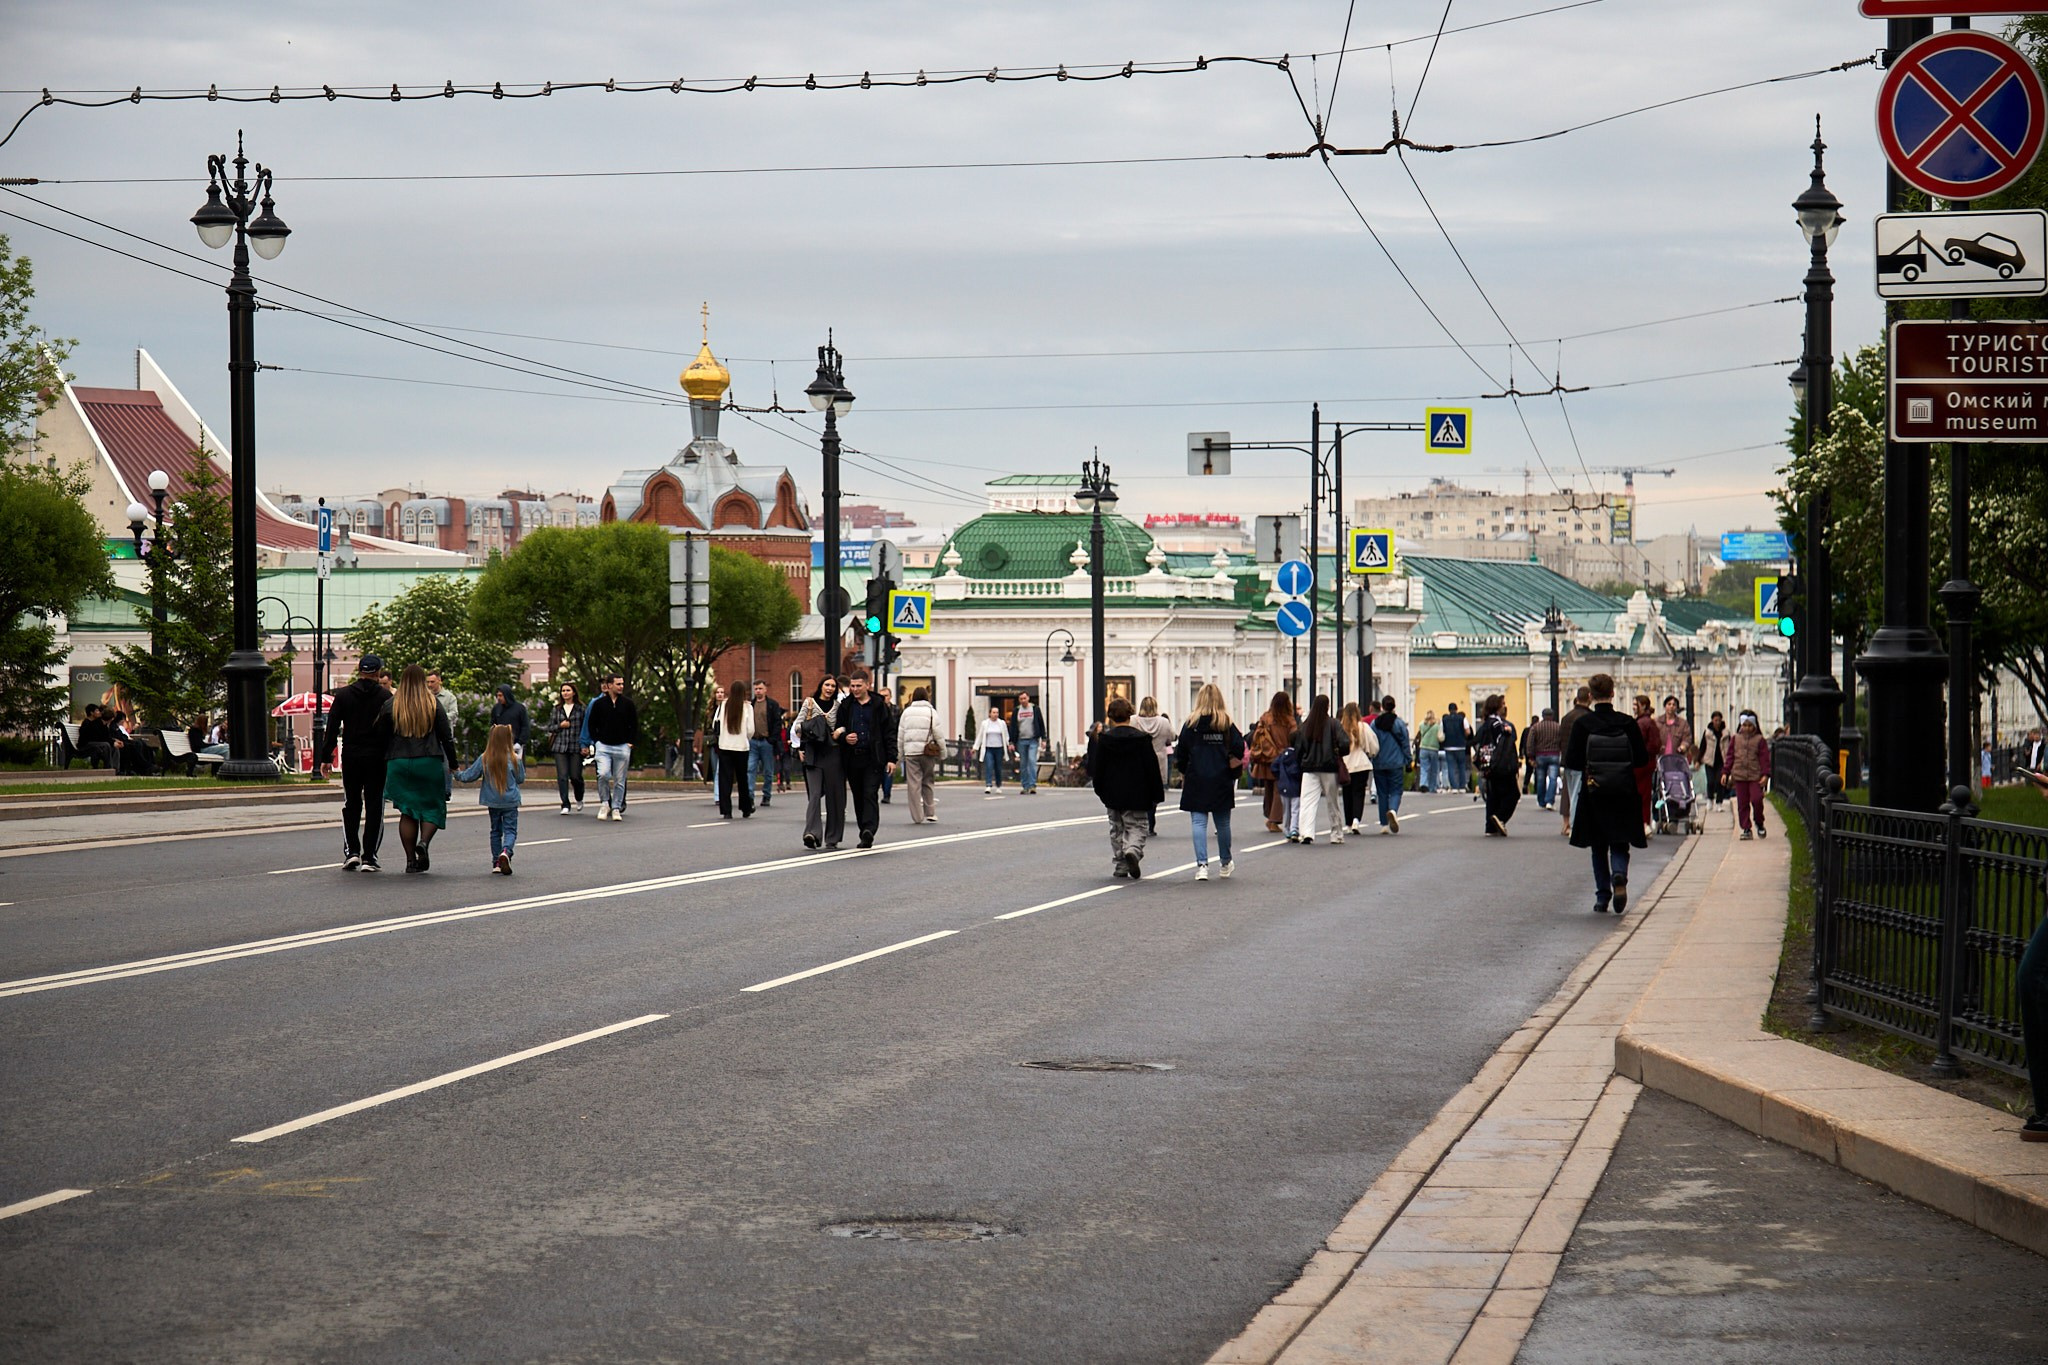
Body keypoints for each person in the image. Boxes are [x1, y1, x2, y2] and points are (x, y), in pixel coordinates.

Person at [1565, 672, 1651, 913]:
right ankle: (1620, 875)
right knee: (1620, 842)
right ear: (1613, 693)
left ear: (1591, 696)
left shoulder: (1583, 724)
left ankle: (1602, 896)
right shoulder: (1627, 722)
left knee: (1598, 845)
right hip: (1623, 790)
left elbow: (1572, 760)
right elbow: (1642, 758)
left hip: (1594, 792)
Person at [317, 655, 393, 871]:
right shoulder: (385, 697)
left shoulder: (344, 695)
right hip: (377, 757)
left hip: (350, 755)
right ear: (379, 672)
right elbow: (391, 730)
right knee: (374, 806)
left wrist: (326, 758)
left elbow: (331, 728)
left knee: (351, 804)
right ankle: (369, 856)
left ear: (359, 671)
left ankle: (352, 851)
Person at [380, 663, 458, 873]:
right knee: (432, 807)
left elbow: (380, 734)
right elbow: (445, 735)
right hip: (428, 761)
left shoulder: (392, 704)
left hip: (399, 762)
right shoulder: (432, 703)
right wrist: (453, 762)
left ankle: (409, 861)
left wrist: (385, 759)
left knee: (407, 811)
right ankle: (423, 842)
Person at [1085, 696, 1166, 877]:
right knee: (1137, 826)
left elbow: (1099, 768)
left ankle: (1121, 863)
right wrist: (1156, 794)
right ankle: (1133, 850)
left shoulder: (1105, 740)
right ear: (1131, 714)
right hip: (1138, 792)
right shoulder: (1142, 739)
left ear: (1110, 717)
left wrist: (1101, 790)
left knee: (1116, 828)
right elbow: (1151, 768)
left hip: (1113, 792)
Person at [1176, 683, 1245, 882]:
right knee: (1222, 823)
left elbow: (1181, 753)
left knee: (1198, 822)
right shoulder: (1226, 724)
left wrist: (1185, 770)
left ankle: (1202, 865)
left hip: (1197, 777)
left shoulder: (1191, 724)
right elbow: (1240, 748)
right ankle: (1225, 862)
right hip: (1221, 778)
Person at [833, 668, 897, 849]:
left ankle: (869, 830)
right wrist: (846, 737)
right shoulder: (846, 706)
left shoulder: (879, 705)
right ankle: (863, 830)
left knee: (870, 793)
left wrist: (892, 758)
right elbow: (839, 728)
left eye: (858, 686)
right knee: (859, 796)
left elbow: (889, 733)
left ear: (867, 685)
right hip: (853, 758)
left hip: (873, 757)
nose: (855, 689)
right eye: (852, 686)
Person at [455, 723, 525, 874]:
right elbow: (520, 779)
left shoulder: (485, 758)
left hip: (492, 801)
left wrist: (455, 773)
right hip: (510, 800)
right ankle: (506, 851)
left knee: (495, 831)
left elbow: (469, 776)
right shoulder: (514, 759)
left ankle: (496, 863)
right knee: (510, 830)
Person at [1289, 694, 1352, 846]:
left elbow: (1298, 748)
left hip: (1309, 768)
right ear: (1327, 707)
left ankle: (1306, 833)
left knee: (1307, 801)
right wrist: (1337, 752)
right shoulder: (1333, 724)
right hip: (1329, 767)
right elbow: (1345, 743)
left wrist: (1302, 762)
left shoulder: (1305, 725)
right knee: (1332, 802)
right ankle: (1336, 834)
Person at [795, 676, 845, 849]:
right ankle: (812, 833)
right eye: (827, 685)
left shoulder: (838, 707)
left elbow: (844, 725)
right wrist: (814, 726)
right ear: (820, 686)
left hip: (833, 752)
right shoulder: (809, 703)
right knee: (814, 794)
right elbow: (797, 727)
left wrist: (839, 730)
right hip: (813, 752)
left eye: (833, 686)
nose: (829, 688)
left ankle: (833, 837)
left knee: (834, 796)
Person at [586, 673, 637, 821]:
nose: (621, 687)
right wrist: (596, 741)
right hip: (603, 746)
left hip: (622, 746)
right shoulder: (599, 704)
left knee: (620, 780)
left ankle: (616, 807)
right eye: (618, 684)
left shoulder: (628, 704)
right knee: (602, 774)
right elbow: (592, 724)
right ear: (609, 686)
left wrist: (630, 742)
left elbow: (633, 724)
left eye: (622, 684)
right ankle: (604, 803)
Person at [1249, 692, 1298, 833]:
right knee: (1279, 789)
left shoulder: (1266, 717)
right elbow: (1294, 738)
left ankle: (1269, 814)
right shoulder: (1289, 721)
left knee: (1269, 789)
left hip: (1266, 757)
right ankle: (1274, 820)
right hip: (1282, 758)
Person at [1472, 695, 1520, 836]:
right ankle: (1500, 817)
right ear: (1497, 706)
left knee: (1493, 795)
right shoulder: (1499, 724)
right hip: (1502, 764)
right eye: (1502, 704)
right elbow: (1504, 744)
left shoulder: (1486, 723)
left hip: (1488, 764)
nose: (1504, 706)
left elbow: (1476, 740)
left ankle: (1490, 827)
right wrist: (1507, 733)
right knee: (1513, 794)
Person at [896, 686, 942, 825]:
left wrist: (899, 754)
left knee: (914, 784)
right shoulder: (931, 712)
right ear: (927, 697)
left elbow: (901, 735)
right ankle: (930, 812)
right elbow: (938, 734)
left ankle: (917, 816)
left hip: (911, 753)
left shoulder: (906, 713)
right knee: (928, 781)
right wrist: (943, 752)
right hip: (927, 752)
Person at [1727, 711, 1772, 839]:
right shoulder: (1735, 739)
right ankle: (1746, 828)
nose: (1747, 728)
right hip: (1740, 776)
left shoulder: (1760, 740)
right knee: (1742, 803)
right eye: (1744, 725)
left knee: (1757, 799)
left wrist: (1765, 775)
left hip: (1754, 776)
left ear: (1755, 726)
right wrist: (1726, 772)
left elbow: (1764, 759)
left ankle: (1759, 822)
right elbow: (1730, 756)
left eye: (1750, 725)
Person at [1370, 695, 1411, 835]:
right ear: (1394, 707)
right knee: (1396, 790)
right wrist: (1408, 759)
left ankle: (1384, 824)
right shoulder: (1399, 723)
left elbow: (1372, 742)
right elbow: (1405, 743)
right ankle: (1392, 810)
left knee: (1382, 793)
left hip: (1379, 761)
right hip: (1396, 761)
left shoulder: (1375, 723)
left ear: (1382, 707)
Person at [1133, 697, 1174, 833]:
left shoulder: (1134, 721)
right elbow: (1172, 737)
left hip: (1139, 761)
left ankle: (1141, 819)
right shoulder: (1163, 722)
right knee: (1154, 792)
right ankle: (1151, 821)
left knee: (1140, 790)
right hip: (1158, 760)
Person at [714, 686, 756, 819]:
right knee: (742, 778)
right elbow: (751, 729)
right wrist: (745, 738)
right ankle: (745, 808)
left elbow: (715, 723)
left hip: (725, 746)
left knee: (725, 779)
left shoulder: (724, 705)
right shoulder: (747, 707)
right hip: (741, 747)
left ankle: (726, 810)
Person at [1557, 686, 1593, 838]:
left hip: (1567, 760)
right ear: (1589, 697)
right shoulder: (1589, 718)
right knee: (1578, 793)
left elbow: (1560, 740)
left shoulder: (1566, 717)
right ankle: (1574, 825)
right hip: (1582, 761)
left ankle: (1568, 824)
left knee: (1569, 793)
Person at [1338, 701, 1377, 833]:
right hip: (1361, 764)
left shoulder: (1341, 727)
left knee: (1347, 794)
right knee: (1358, 793)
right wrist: (1371, 753)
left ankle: (1348, 823)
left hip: (1346, 764)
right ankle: (1356, 820)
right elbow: (1373, 744)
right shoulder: (1363, 727)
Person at [549, 682, 585, 813]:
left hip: (576, 746)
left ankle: (579, 797)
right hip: (560, 746)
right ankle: (565, 804)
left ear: (574, 692)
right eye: (563, 691)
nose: (565, 693)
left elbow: (585, 727)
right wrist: (560, 726)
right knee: (562, 776)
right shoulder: (557, 709)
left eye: (568, 690)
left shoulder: (580, 708)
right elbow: (550, 727)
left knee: (575, 776)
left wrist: (585, 745)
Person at [749, 680, 784, 809]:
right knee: (750, 769)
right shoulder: (750, 705)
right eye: (756, 689)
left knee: (768, 771)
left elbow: (777, 723)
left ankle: (766, 795)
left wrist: (772, 740)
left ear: (765, 690)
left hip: (766, 742)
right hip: (753, 741)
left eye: (760, 688)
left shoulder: (772, 705)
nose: (758, 691)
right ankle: (749, 796)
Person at [1632, 695, 1664, 829]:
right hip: (1648, 762)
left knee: (1640, 793)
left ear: (1643, 705)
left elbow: (1639, 743)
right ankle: (1644, 821)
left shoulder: (1642, 723)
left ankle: (1642, 822)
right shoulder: (1649, 722)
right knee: (1645, 793)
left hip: (1641, 762)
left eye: (1635, 704)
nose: (1633, 707)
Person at [1008, 691, 1047, 795]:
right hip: (1021, 740)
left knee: (1032, 760)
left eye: (1025, 698)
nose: (1023, 700)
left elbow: (1041, 723)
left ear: (1028, 698)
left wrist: (1044, 739)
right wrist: (1011, 741)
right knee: (1023, 764)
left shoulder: (1035, 709)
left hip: (1033, 740)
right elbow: (1012, 726)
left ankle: (1033, 785)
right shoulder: (1017, 711)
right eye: (1021, 699)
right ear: (1019, 700)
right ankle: (1025, 786)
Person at [1529, 707, 1563, 811]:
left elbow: (1530, 742)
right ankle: (1549, 801)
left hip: (1540, 755)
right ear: (1552, 716)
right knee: (1553, 779)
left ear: (1542, 716)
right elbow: (1562, 740)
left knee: (1540, 779)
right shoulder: (1558, 727)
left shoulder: (1536, 727)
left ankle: (1541, 800)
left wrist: (1531, 756)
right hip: (1554, 754)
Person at [1699, 711, 1729, 811]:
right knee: (1710, 781)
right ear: (1712, 720)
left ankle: (1719, 802)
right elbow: (1703, 746)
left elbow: (1729, 746)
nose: (1717, 722)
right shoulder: (1708, 732)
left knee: (1720, 782)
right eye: (1715, 720)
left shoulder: (1725, 732)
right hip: (1709, 760)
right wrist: (1699, 760)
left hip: (1721, 761)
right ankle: (1710, 800)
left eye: (1719, 720)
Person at [978, 707, 1012, 794]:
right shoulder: (985, 723)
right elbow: (980, 736)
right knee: (989, 766)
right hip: (988, 748)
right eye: (993, 712)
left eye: (997, 712)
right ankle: (988, 784)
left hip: (999, 748)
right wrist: (975, 747)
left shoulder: (1002, 723)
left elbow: (1006, 735)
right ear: (990, 713)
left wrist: (1009, 744)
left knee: (998, 767)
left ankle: (998, 785)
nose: (995, 714)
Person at [1439, 701, 1470, 794]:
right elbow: (1468, 731)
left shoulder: (1444, 719)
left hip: (1448, 746)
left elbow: (1441, 732)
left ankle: (1454, 787)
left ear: (1449, 710)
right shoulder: (1462, 718)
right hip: (1460, 746)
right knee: (1461, 766)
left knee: (1451, 767)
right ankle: (1462, 786)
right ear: (1456, 709)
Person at [75, 703, 115, 769]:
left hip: (94, 743)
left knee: (112, 746)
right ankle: (108, 768)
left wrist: (113, 741)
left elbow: (102, 736)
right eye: (97, 711)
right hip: (85, 745)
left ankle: (115, 769)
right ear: (91, 713)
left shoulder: (96, 722)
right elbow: (88, 737)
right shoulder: (87, 723)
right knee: (106, 745)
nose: (99, 712)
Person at [1659, 695, 1694, 765]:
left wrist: (1683, 746)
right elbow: (1653, 737)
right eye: (1669, 704)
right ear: (1665, 706)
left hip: (1677, 758)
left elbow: (1687, 738)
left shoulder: (1682, 723)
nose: (1671, 706)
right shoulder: (1657, 722)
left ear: (1676, 708)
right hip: (1661, 759)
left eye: (1674, 705)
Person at [1415, 709, 1442, 792]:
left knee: (1424, 768)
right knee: (1434, 769)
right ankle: (1432, 787)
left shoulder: (1421, 724)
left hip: (1423, 747)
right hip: (1434, 748)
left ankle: (1423, 784)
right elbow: (1440, 737)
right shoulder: (1437, 726)